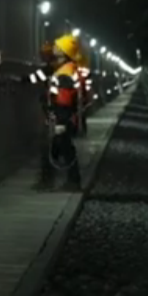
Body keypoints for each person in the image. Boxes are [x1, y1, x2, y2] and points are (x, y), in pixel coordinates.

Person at [34, 33, 83, 192]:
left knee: (62, 148)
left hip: (61, 116)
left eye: (58, 46)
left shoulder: (64, 73)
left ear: (64, 52)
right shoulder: (61, 68)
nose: (54, 47)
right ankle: (51, 180)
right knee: (56, 148)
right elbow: (43, 73)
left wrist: (60, 122)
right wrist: (23, 80)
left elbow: (64, 100)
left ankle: (68, 182)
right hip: (61, 115)